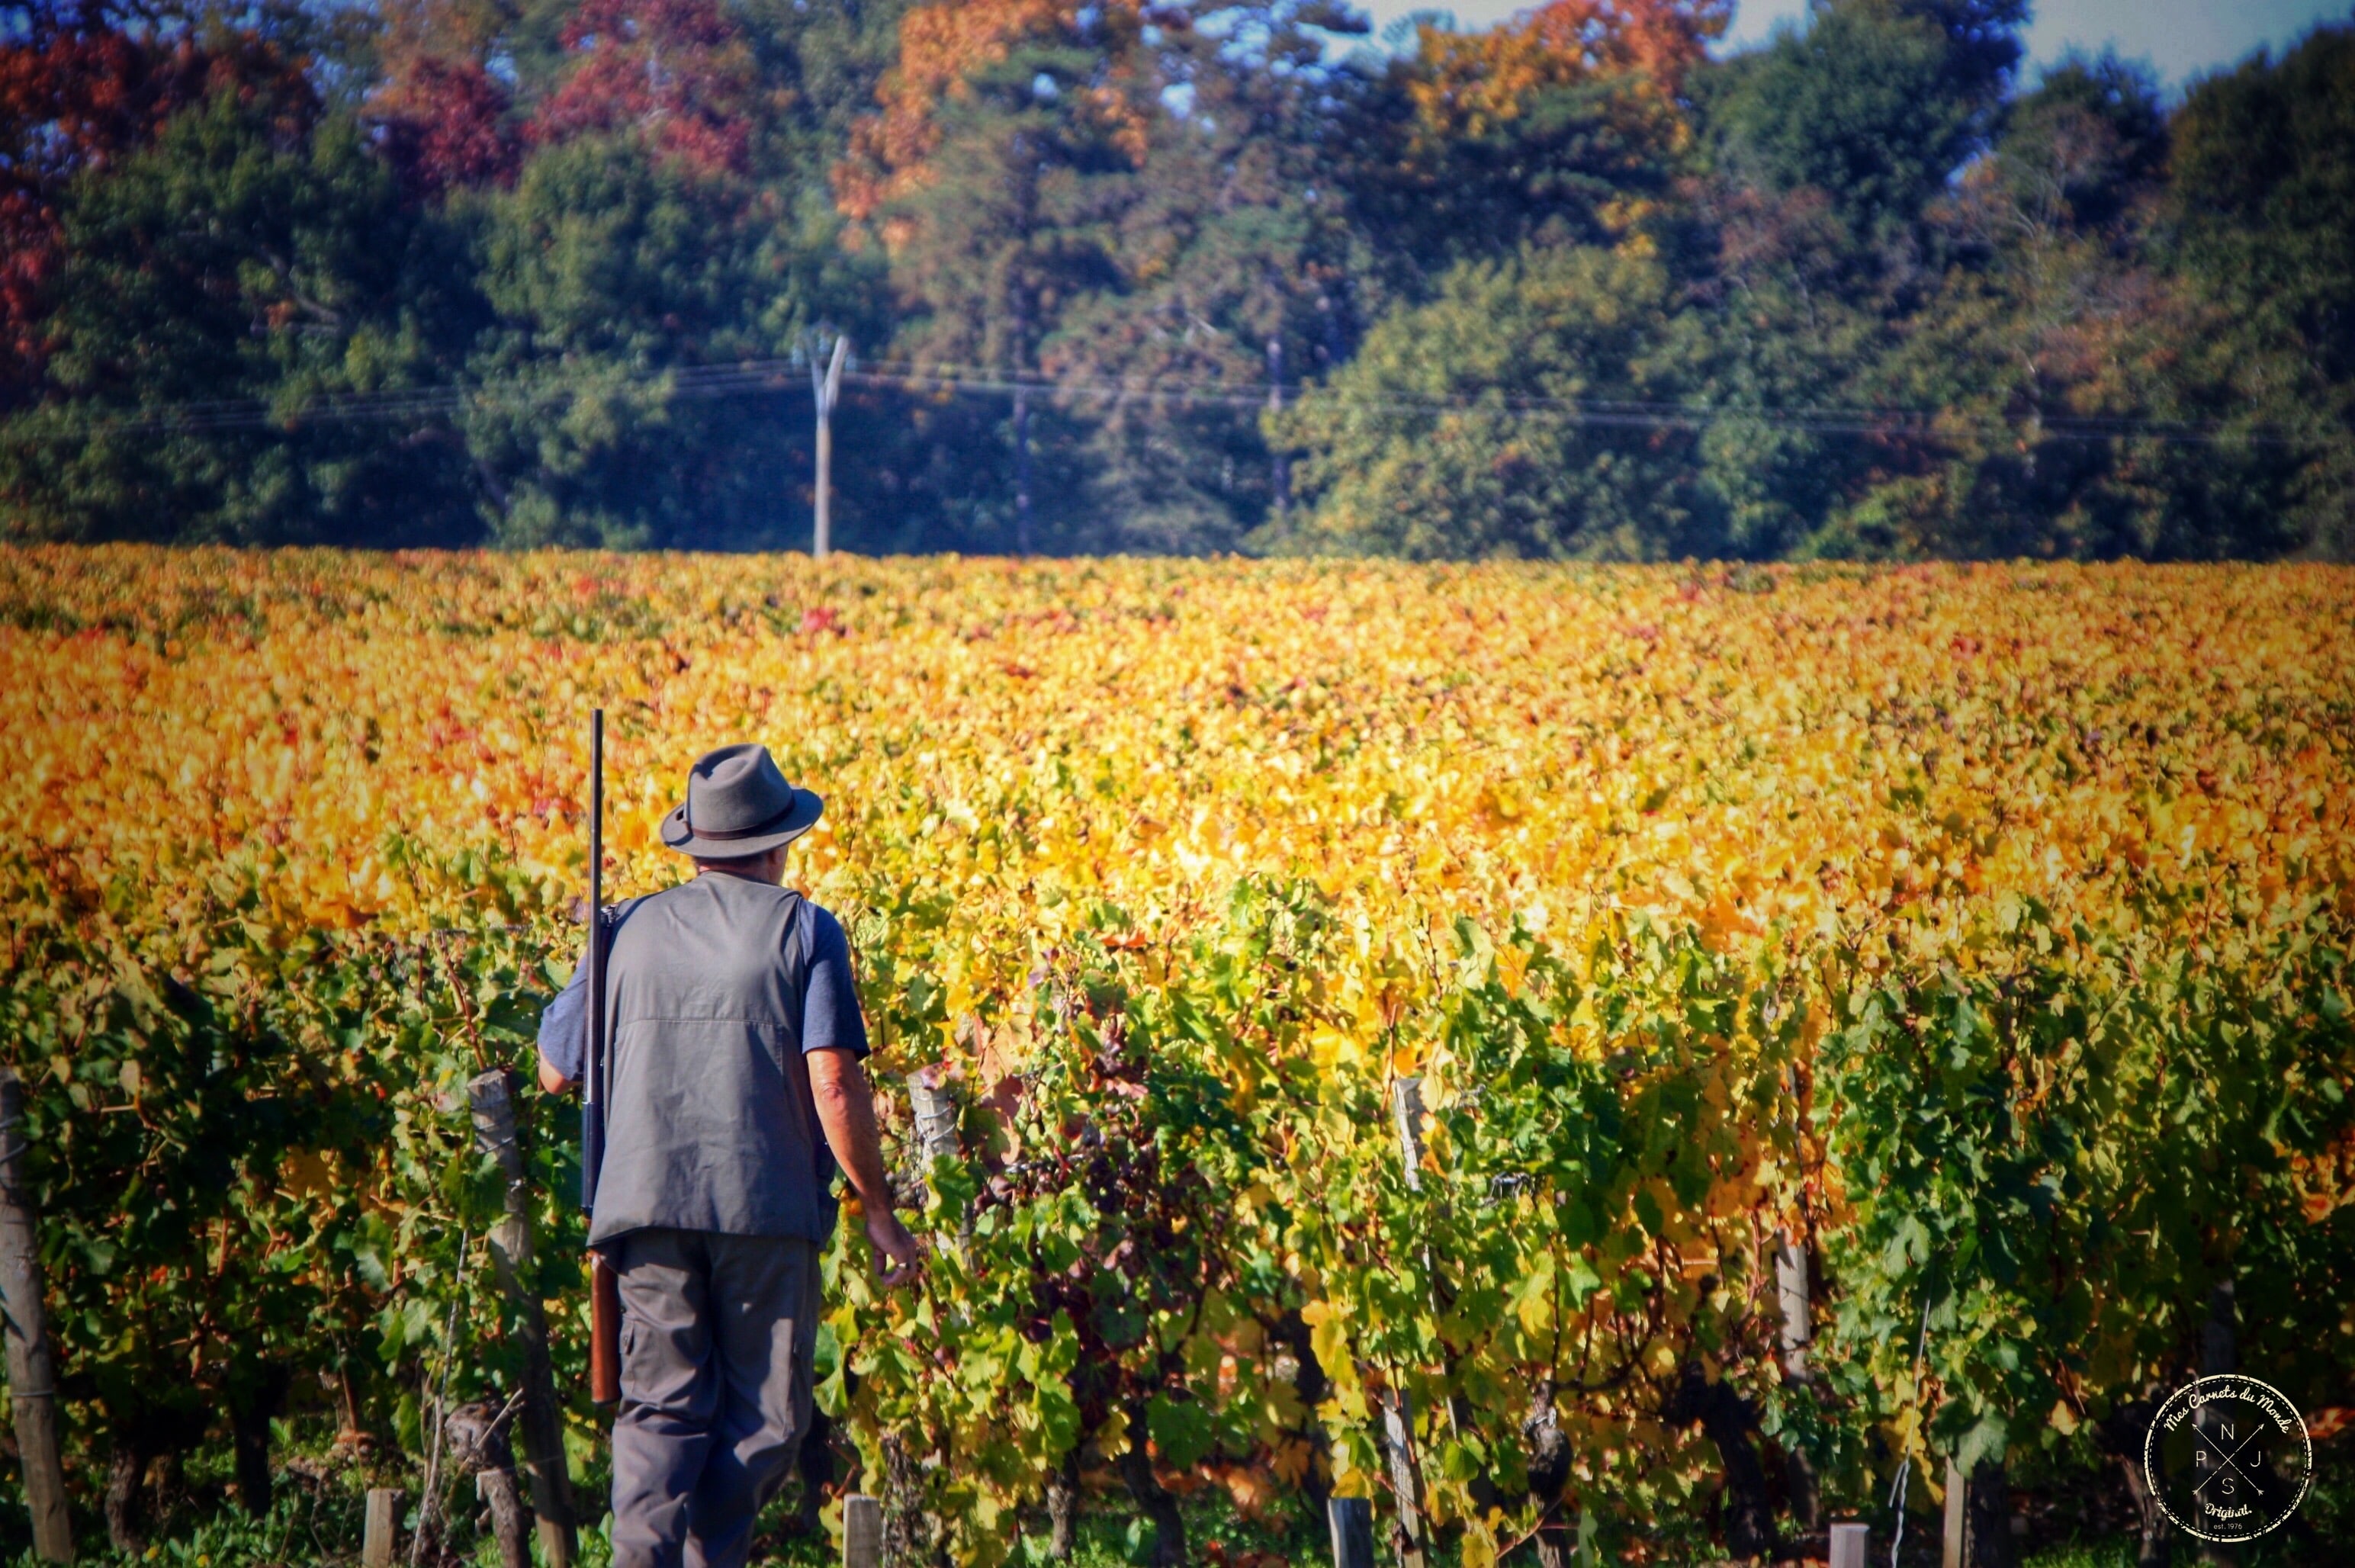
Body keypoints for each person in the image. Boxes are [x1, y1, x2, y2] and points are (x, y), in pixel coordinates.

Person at [536, 742, 921, 1568]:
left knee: (659, 1414)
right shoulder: (806, 929)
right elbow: (834, 1083)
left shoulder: (626, 924)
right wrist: (878, 1209)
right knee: (768, 1421)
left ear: (697, 843)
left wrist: (592, 953)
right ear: (779, 842)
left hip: (640, 1210)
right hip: (763, 1208)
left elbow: (553, 1070)